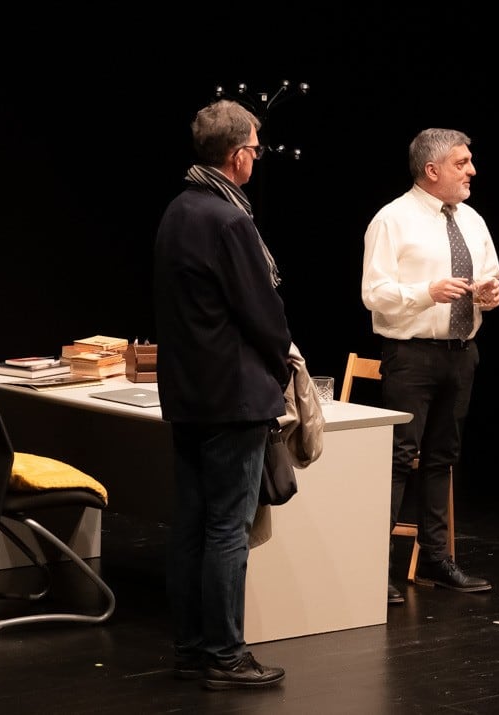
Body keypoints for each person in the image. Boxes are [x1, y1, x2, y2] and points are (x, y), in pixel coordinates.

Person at [154, 99, 289, 689]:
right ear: (238, 156)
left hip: (188, 392)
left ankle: (191, 647)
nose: (257, 158)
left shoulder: (178, 208)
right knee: (227, 527)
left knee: (192, 522)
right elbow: (262, 313)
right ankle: (226, 655)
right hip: (231, 396)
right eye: (256, 150)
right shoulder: (230, 220)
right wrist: (282, 361)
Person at [361, 127, 499, 604]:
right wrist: (427, 292)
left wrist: (490, 294)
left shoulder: (472, 220)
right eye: (462, 163)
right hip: (412, 354)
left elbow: (489, 276)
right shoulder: (392, 220)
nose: (471, 171)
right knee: (401, 458)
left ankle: (437, 561)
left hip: (461, 352)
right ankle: (372, 568)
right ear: (432, 169)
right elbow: (374, 294)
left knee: (443, 458)